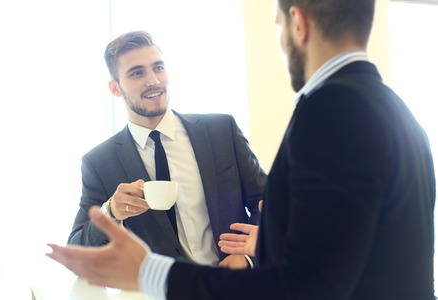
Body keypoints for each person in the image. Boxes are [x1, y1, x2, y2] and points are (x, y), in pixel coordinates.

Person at [47, 0, 436, 299]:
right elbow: (340, 246)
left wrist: (150, 271)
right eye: (137, 72)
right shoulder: (395, 109)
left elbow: (307, 283)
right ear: (115, 87)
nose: (281, 42)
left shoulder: (329, 112)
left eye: (279, 25)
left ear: (298, 22)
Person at [66, 30, 267, 270]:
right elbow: (76, 254)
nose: (153, 80)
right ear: (115, 88)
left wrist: (246, 257)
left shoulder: (221, 131)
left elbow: (267, 202)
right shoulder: (100, 163)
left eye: (158, 67)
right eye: (137, 73)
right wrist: (111, 211)